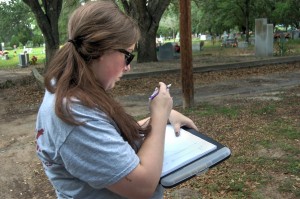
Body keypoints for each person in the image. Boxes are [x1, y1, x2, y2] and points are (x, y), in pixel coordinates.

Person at [35, 1, 198, 198]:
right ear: (102, 49)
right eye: (128, 55)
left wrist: (160, 119)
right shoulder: (73, 114)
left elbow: (103, 134)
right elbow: (143, 186)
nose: (128, 66)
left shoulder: (66, 88)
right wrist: (159, 114)